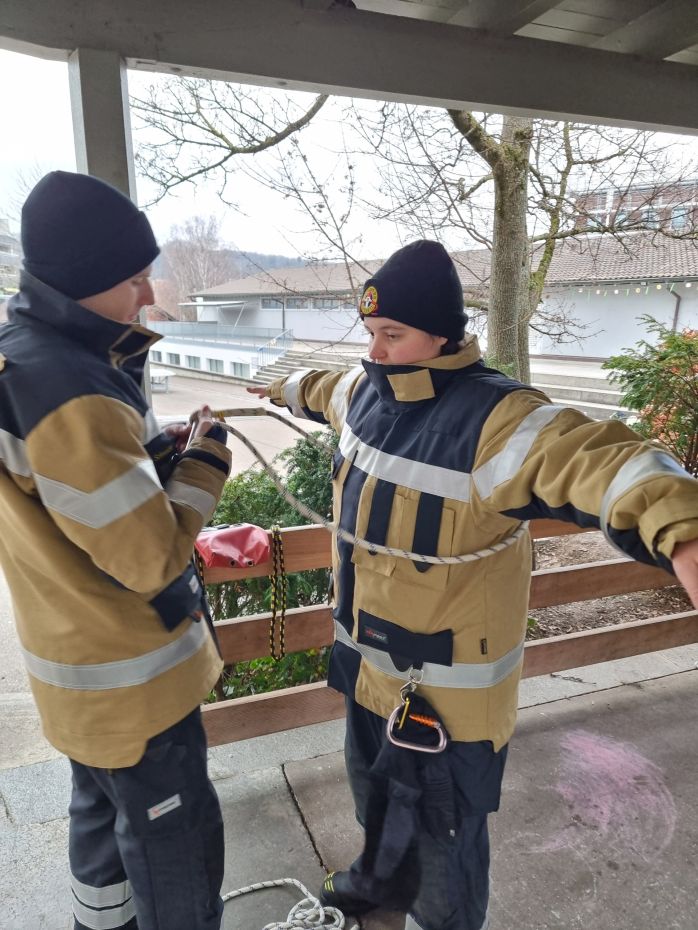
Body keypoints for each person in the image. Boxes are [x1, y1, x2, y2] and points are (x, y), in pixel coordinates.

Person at [247, 239, 698, 930]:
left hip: (444, 709)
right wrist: (282, 388)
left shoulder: (500, 423)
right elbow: (322, 388)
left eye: (392, 334)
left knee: (443, 854)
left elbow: (604, 460)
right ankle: (374, 889)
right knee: (373, 803)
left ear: (442, 334)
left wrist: (683, 530)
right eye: (369, 332)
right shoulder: (365, 393)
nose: (375, 351)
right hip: (365, 675)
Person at [0, 171, 232, 930]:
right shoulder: (73, 390)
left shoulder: (24, 358)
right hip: (137, 691)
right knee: (177, 857)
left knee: (103, 842)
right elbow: (150, 556)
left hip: (82, 681)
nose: (147, 296)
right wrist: (206, 463)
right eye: (133, 278)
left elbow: (76, 499)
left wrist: (154, 453)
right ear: (84, 278)